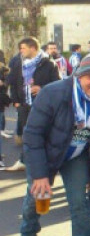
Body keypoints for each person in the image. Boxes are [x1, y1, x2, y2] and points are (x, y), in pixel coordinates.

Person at [16, 54, 90, 236]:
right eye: (89, 77)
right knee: (35, 198)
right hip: (46, 154)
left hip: (75, 156)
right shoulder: (53, 93)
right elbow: (33, 135)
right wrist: (40, 175)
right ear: (78, 76)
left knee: (79, 203)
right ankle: (28, 235)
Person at [5, 37, 60, 171]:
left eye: (23, 48)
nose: (21, 51)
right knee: (27, 135)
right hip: (25, 105)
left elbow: (58, 84)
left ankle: (46, 162)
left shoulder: (48, 63)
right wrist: (16, 101)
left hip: (43, 106)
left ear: (33, 48)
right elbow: (14, 82)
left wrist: (42, 88)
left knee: (44, 134)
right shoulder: (19, 63)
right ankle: (24, 161)